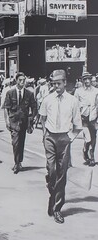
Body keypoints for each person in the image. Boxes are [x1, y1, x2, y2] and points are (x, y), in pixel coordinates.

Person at [39, 69, 82, 224]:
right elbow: (42, 118)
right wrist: (45, 135)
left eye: (58, 83)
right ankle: (51, 187)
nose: (56, 86)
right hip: (50, 137)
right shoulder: (47, 99)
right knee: (52, 171)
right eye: (53, 83)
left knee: (61, 174)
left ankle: (57, 208)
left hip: (64, 137)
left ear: (65, 83)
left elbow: (78, 125)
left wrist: (70, 138)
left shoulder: (73, 101)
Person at [3, 72, 37, 174]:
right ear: (16, 80)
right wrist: (6, 121)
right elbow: (6, 108)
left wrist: (32, 119)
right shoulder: (10, 93)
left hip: (24, 121)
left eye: (23, 80)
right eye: (20, 80)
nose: (22, 82)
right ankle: (16, 162)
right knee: (15, 142)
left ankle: (19, 161)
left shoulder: (29, 93)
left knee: (21, 142)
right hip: (13, 121)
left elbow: (34, 107)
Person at [74, 72, 98, 167]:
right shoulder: (78, 91)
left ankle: (92, 157)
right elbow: (75, 105)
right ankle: (85, 150)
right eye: (85, 79)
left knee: (93, 137)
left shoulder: (96, 91)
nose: (87, 81)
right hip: (83, 117)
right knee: (88, 138)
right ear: (82, 80)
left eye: (88, 79)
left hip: (93, 117)